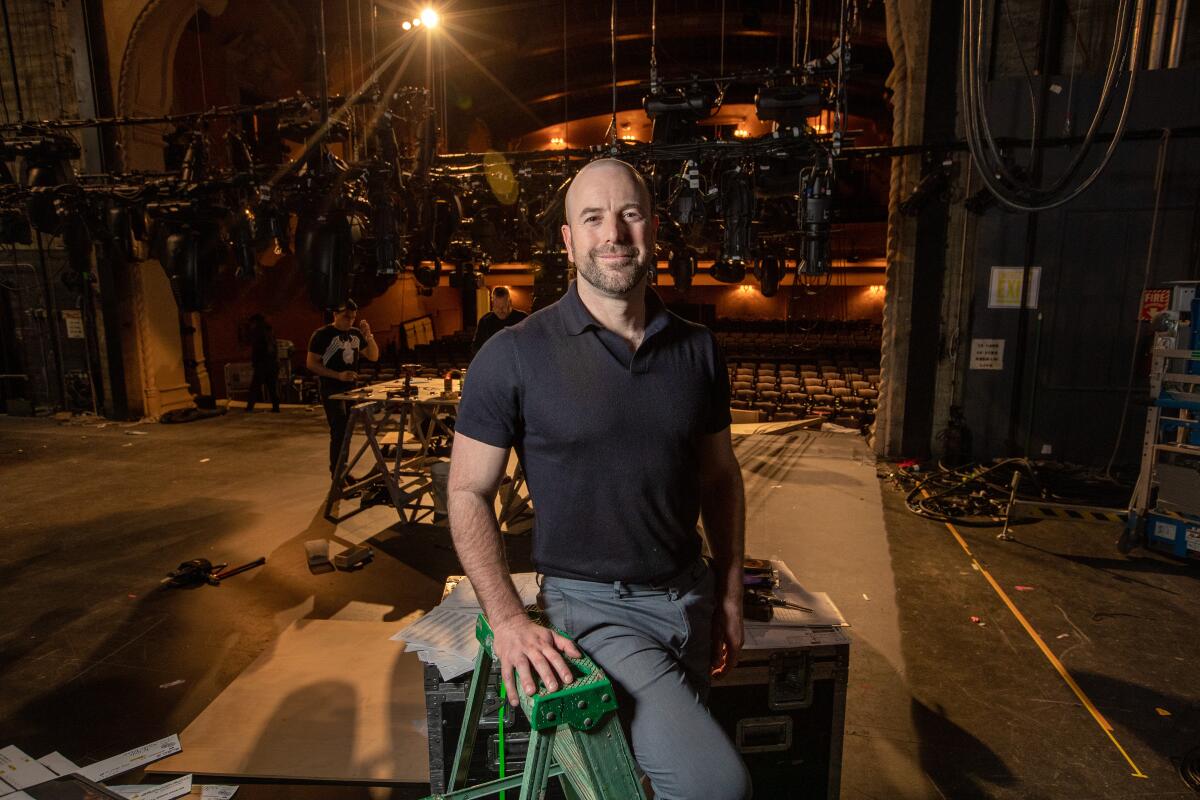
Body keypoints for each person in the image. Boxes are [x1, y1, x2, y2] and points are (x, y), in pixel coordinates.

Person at [448, 159, 750, 800]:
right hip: (595, 611)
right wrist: (506, 618)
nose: (613, 232)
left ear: (654, 229)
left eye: (629, 214)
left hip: (689, 601)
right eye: (592, 218)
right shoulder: (513, 354)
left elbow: (720, 477)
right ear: (568, 239)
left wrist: (728, 590)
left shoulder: (697, 349)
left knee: (646, 780)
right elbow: (468, 491)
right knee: (714, 787)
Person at [306, 299, 380, 476]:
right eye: (346, 317)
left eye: (353, 317)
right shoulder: (322, 334)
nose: (350, 321)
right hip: (331, 389)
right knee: (339, 430)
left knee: (347, 431)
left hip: (351, 389)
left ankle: (343, 469)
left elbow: (373, 356)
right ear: (335, 314)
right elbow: (311, 364)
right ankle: (337, 473)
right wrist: (337, 375)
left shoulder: (354, 334)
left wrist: (368, 336)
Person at [470, 286, 527, 356]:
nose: (500, 311)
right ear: (493, 304)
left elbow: (529, 342)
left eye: (503, 307)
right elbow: (476, 347)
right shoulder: (485, 321)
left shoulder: (522, 319)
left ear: (510, 302)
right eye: (497, 307)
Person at [245, 314, 280, 413]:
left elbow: (257, 350)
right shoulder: (270, 331)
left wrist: (255, 362)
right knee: (272, 387)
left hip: (262, 364)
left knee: (255, 386)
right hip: (273, 363)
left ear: (255, 322)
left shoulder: (257, 332)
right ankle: (276, 407)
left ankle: (249, 407)